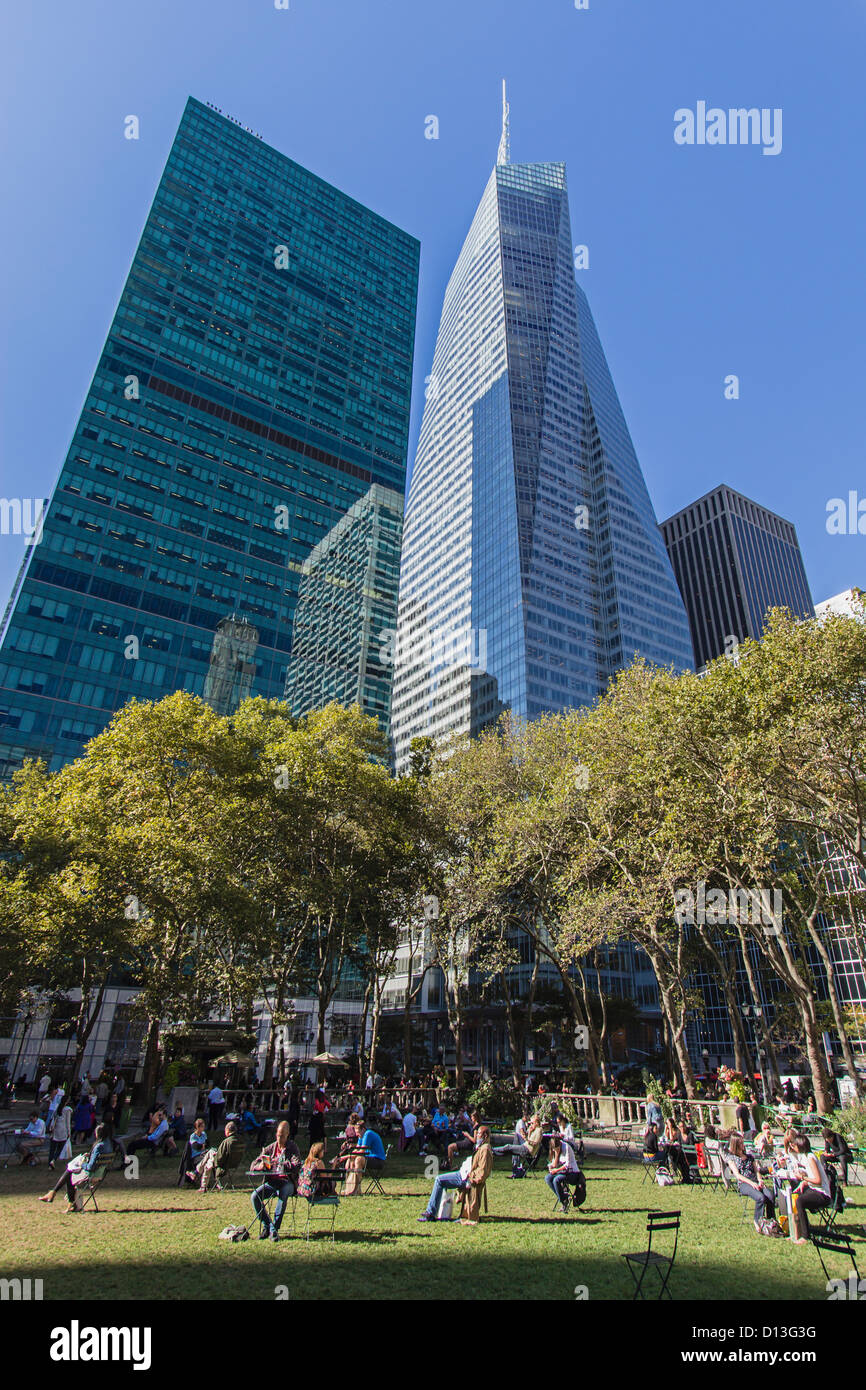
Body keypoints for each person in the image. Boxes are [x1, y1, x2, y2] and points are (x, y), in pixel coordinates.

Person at [40, 1124, 112, 1213]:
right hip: (100, 1174)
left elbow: (90, 1167)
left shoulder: (98, 1146)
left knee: (69, 1174)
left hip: (91, 1174)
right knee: (70, 1170)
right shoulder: (108, 1144)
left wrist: (82, 1164)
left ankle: (66, 1201)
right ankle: (54, 1194)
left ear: (98, 1134)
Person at [250, 1120, 301, 1240]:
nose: (279, 1138)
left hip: (287, 1182)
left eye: (282, 1136)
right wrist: (260, 1166)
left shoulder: (292, 1147)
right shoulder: (271, 1148)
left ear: (287, 1134)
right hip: (272, 1182)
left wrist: (282, 1163)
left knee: (283, 1194)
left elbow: (297, 1165)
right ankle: (267, 1225)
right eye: (278, 1135)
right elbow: (253, 1164)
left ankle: (274, 1231)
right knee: (255, 1196)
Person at [727, 1133, 776, 1233]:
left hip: (755, 1181)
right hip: (744, 1184)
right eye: (741, 1143)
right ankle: (758, 1221)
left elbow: (757, 1171)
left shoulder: (750, 1157)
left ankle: (771, 1221)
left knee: (770, 1195)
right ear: (735, 1144)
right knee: (760, 1198)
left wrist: (760, 1180)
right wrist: (752, 1183)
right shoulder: (732, 1158)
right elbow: (738, 1176)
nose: (743, 1144)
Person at [789, 1135, 832, 1243]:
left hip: (823, 1194)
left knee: (800, 1201)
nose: (793, 1147)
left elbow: (818, 1180)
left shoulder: (810, 1158)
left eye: (795, 1145)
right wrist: (804, 1182)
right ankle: (795, 1231)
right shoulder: (806, 1156)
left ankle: (805, 1236)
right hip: (815, 1190)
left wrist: (803, 1178)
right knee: (794, 1197)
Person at [458, 1126, 493, 1226]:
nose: (477, 1136)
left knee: (473, 1201)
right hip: (473, 1177)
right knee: (468, 1200)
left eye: (479, 1134)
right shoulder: (481, 1147)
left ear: (485, 1136)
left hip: (476, 1179)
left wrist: (474, 1178)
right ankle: (466, 1216)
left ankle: (473, 1219)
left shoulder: (485, 1149)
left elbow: (483, 1168)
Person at [195, 1121, 243, 1192]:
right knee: (211, 1152)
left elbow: (220, 1157)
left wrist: (215, 1155)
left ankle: (202, 1183)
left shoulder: (227, 1141)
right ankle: (197, 1171)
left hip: (223, 1164)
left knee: (209, 1160)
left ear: (227, 1131)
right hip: (235, 1163)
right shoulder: (241, 1139)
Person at [546, 1134, 581, 1213]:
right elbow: (554, 1164)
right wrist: (551, 1167)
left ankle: (563, 1201)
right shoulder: (554, 1150)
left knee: (556, 1180)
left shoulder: (567, 1147)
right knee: (548, 1178)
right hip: (562, 1172)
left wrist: (556, 1170)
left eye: (557, 1149)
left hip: (572, 1172)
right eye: (554, 1149)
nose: (556, 1150)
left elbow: (567, 1165)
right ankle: (563, 1197)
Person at [47, 1101, 74, 1170]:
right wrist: (69, 1132)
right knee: (60, 1148)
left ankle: (49, 1165)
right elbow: (68, 1122)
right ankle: (53, 1160)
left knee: (52, 1149)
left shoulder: (57, 1108)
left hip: (55, 1131)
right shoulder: (67, 1110)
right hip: (62, 1131)